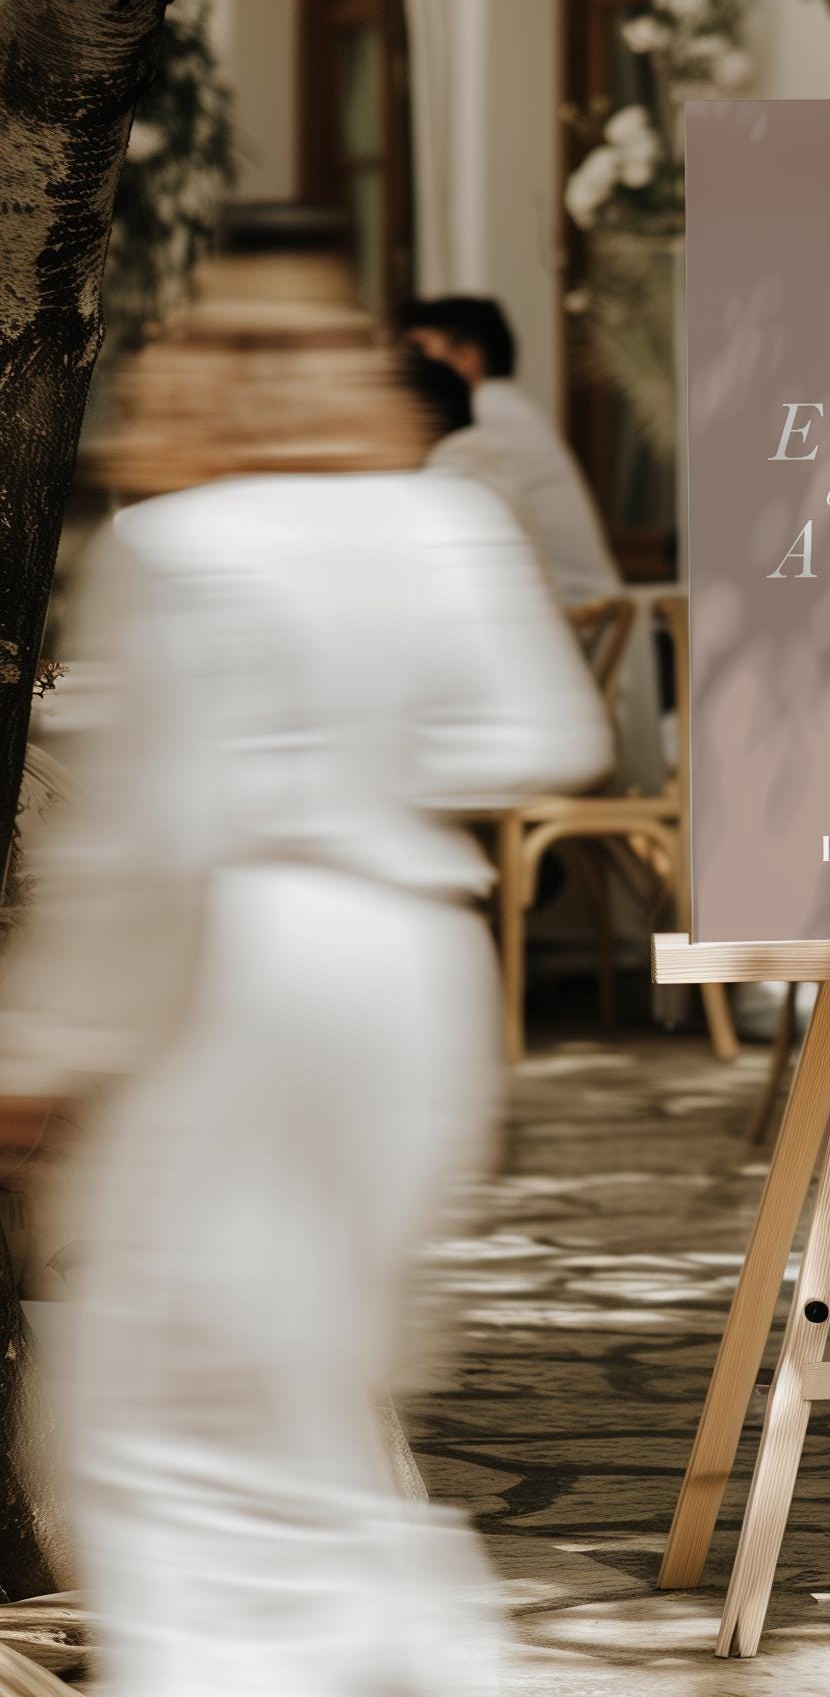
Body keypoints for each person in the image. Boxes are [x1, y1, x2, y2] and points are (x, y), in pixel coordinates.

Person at [0, 213, 613, 1695]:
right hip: (414, 958)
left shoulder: (177, 542)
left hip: (250, 965)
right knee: (309, 1387)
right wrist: (373, 758)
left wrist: (43, 1060)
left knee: (163, 1418)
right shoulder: (437, 519)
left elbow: (144, 849)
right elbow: (550, 734)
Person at [398, 296, 661, 787]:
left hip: (566, 649)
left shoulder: (482, 420)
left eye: (419, 352)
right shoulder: (504, 414)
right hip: (571, 643)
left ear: (467, 358)